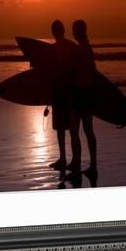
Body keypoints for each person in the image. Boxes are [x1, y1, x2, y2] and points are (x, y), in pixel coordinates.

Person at [47, 20, 79, 171]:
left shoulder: (69, 47)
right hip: (60, 92)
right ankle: (65, 158)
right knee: (62, 129)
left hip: (68, 92)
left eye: (57, 29)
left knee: (70, 129)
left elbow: (77, 69)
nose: (56, 32)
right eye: (55, 30)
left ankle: (72, 160)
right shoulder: (55, 49)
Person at [70, 19, 98, 179]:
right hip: (87, 93)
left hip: (80, 93)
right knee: (88, 131)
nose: (73, 32)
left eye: (74, 29)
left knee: (75, 131)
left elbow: (74, 71)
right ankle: (91, 166)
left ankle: (78, 165)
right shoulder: (87, 48)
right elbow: (93, 71)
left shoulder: (82, 49)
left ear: (78, 31)